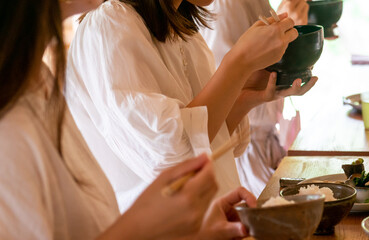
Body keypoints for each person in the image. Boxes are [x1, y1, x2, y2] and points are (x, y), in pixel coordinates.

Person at [0, 0, 256, 239]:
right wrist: (239, 64)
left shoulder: (38, 83)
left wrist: (190, 229)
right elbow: (174, 148)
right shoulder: (11, 119)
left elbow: (87, 224)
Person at [65, 0, 299, 211]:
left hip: (212, 221)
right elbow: (175, 155)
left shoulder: (184, 32)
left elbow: (206, 138)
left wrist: (246, 92)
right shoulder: (108, 25)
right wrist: (238, 63)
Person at [201, 0, 314, 196]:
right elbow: (222, 95)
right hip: (241, 149)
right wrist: (288, 35)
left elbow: (264, 75)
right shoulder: (226, 6)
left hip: (262, 141)